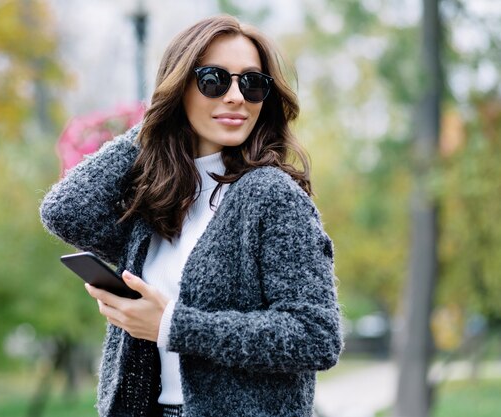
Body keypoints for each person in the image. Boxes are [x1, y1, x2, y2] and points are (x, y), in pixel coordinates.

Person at [40, 14, 342, 417]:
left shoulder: (272, 195)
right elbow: (66, 211)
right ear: (180, 88)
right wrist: (151, 128)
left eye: (252, 84)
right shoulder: (160, 198)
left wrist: (172, 325)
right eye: (214, 80)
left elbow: (315, 335)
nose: (236, 97)